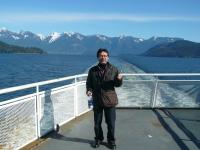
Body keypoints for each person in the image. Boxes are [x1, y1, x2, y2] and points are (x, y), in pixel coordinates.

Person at [86, 48, 123, 149]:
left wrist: (119, 79)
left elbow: (117, 85)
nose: (103, 57)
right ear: (98, 57)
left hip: (109, 100)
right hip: (97, 100)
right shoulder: (92, 70)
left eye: (105, 56)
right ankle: (98, 139)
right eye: (101, 56)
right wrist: (89, 90)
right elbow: (89, 83)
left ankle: (111, 141)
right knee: (97, 124)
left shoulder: (114, 69)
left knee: (111, 123)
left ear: (108, 57)